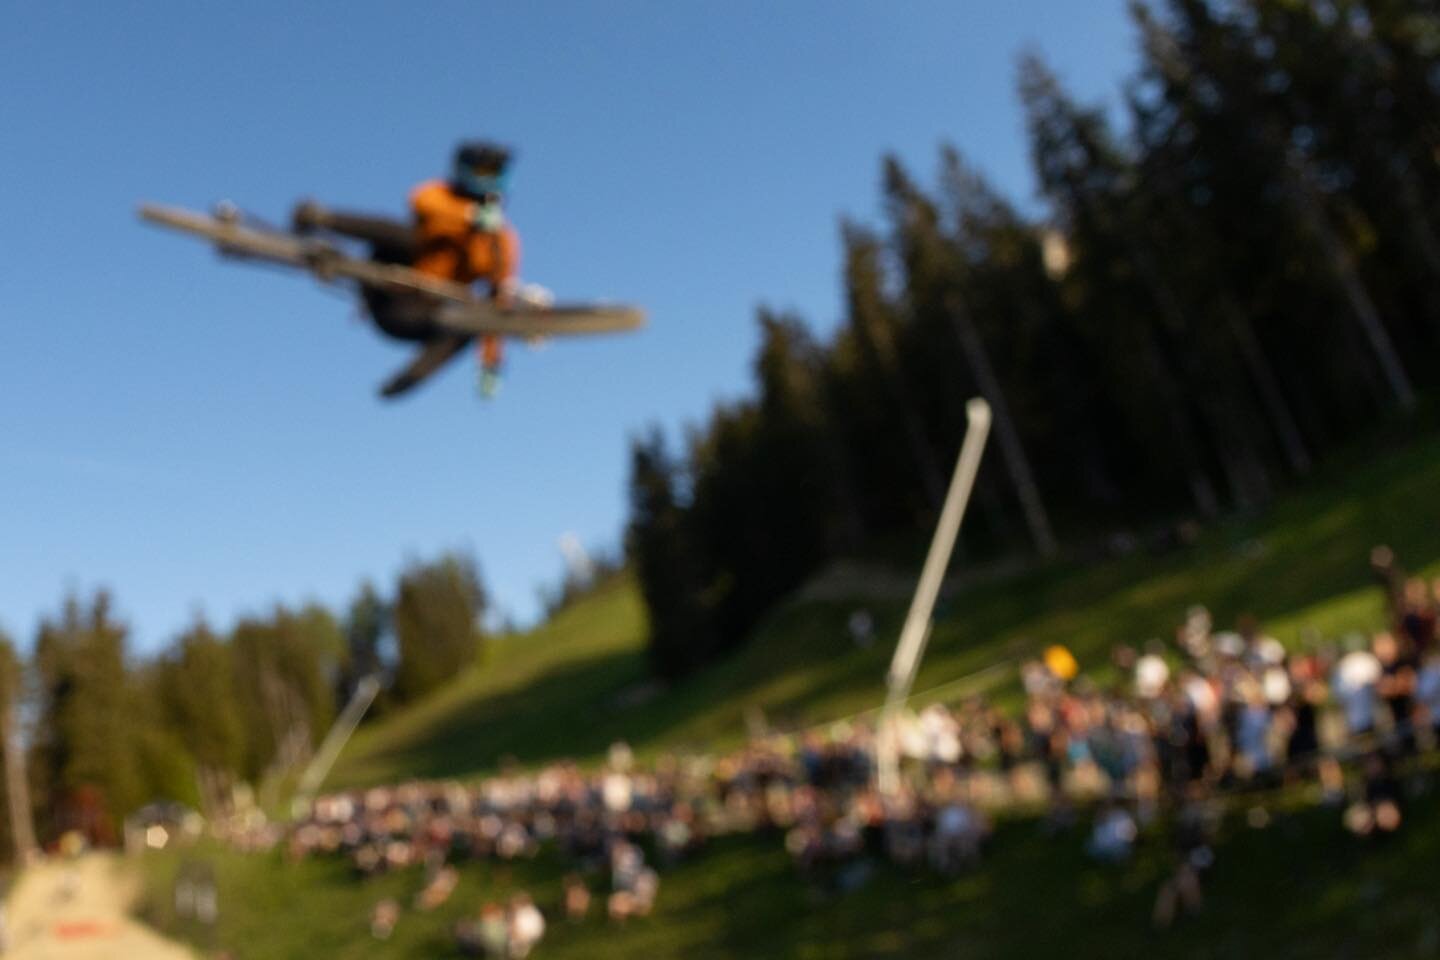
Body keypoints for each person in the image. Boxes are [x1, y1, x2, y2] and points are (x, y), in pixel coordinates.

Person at [293, 141, 521, 397]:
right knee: (406, 236)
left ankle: (409, 380)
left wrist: (491, 363)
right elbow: (422, 202)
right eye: (481, 171)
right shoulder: (439, 195)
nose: (487, 179)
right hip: (389, 292)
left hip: (417, 313)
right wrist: (469, 218)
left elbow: (498, 304)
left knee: (472, 322)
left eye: (494, 172)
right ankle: (320, 218)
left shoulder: (502, 240)